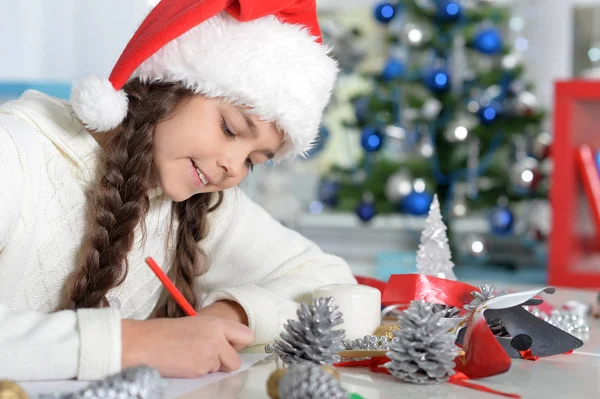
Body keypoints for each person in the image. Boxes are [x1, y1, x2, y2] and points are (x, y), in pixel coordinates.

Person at [0, 0, 356, 381]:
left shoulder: (203, 202)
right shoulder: (16, 152)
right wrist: (131, 344)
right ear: (169, 85)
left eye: (254, 160)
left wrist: (235, 313)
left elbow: (331, 283)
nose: (234, 167)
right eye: (230, 129)